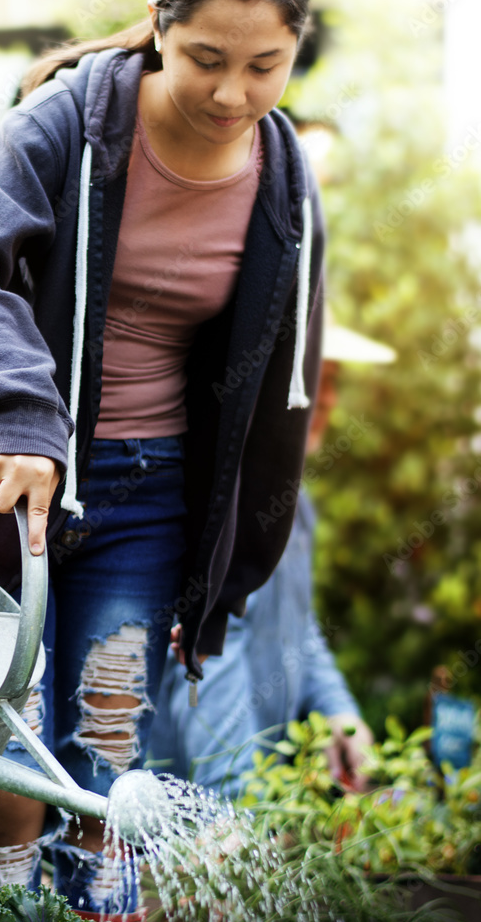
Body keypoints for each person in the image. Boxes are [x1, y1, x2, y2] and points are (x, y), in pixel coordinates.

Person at [0, 0, 325, 919]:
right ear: (158, 24)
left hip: (152, 494)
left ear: (296, 44)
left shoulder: (283, 180)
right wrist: (20, 414)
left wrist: (228, 572)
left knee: (107, 764)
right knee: (16, 774)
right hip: (18, 484)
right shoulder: (68, 125)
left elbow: (277, 392)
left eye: (264, 65)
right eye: (204, 57)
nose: (231, 91)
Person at [147, 322, 395, 797]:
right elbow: (210, 657)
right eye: (314, 375)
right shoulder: (228, 506)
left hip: (257, 788)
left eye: (334, 379)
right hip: (179, 811)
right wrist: (240, 805)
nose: (327, 399)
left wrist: (339, 715)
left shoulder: (296, 506)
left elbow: (301, 628)